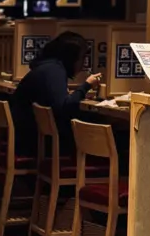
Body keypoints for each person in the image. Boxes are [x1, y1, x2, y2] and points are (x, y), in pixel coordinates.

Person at [9, 31, 102, 161]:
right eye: (82, 58)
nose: (83, 64)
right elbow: (63, 107)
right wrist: (86, 86)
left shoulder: (47, 67)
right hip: (34, 144)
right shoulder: (54, 70)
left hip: (28, 138)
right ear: (71, 57)